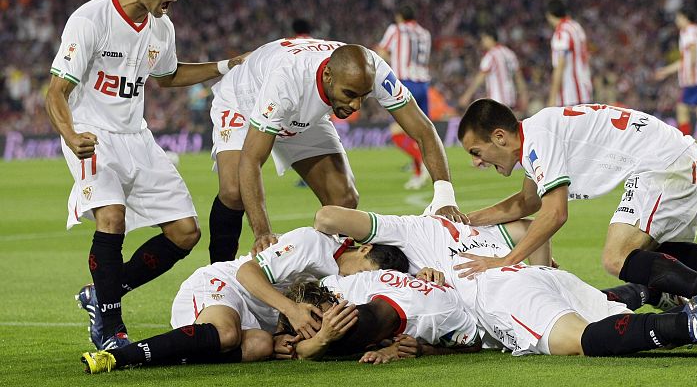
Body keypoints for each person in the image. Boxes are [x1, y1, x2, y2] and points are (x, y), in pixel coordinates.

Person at [45, 0, 248, 350]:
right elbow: (55, 92)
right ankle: (111, 329)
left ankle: (101, 293)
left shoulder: (161, 26)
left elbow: (168, 75)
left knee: (185, 233)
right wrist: (71, 136)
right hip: (92, 134)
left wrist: (226, 65)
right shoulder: (90, 19)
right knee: (112, 219)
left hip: (138, 137)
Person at [311, 207, 697, 360]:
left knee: (579, 343)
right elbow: (530, 232)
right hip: (535, 273)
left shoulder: (405, 236)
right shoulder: (460, 227)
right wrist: (539, 270)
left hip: (497, 291)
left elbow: (328, 215)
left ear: (369, 248)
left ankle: (689, 323)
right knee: (619, 319)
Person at [454, 99, 697, 302]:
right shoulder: (537, 134)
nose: (477, 162)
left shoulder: (538, 140)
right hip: (681, 160)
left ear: (499, 137)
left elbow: (554, 214)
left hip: (664, 164)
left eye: (476, 152)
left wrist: (505, 261)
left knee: (616, 257)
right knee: (647, 259)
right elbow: (527, 202)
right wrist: (465, 219)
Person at [207, 37, 466, 264]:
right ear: (328, 75)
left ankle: (327, 271)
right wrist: (263, 233)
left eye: (363, 96)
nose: (356, 105)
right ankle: (216, 278)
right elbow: (251, 160)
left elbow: (424, 130)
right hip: (244, 101)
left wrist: (445, 197)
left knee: (344, 200)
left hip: (305, 111)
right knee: (233, 191)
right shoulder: (287, 79)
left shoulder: (374, 70)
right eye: (350, 94)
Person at [79, 226, 408, 373]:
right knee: (227, 334)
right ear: (364, 248)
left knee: (261, 347)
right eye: (364, 271)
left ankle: (182, 351)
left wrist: (285, 334)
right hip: (223, 285)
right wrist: (292, 311)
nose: (358, 281)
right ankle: (119, 356)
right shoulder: (313, 243)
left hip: (261, 320)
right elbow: (248, 272)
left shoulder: (346, 283)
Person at [273, 271, 481, 363]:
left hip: (473, 289)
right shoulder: (350, 288)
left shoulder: (434, 316)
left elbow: (474, 344)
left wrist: (427, 350)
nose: (332, 316)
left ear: (370, 344)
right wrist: (283, 329)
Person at [376, 6, 434, 189]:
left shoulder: (396, 29)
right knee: (421, 133)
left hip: (405, 85)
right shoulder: (425, 33)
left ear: (400, 17)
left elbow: (382, 53)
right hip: (423, 86)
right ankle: (419, 174)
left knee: (396, 132)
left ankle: (421, 165)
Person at [655, 9, 697, 152]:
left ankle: (687, 150)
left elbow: (692, 53)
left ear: (684, 17)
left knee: (682, 109)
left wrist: (692, 68)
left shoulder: (688, 31)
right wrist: (666, 71)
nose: (677, 21)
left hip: (694, 79)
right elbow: (686, 59)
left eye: (678, 17)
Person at [459, 31, 528, 113]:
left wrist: (467, 95)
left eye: (484, 38)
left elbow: (481, 76)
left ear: (491, 38)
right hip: (511, 100)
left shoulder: (491, 55)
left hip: (496, 101)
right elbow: (518, 76)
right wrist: (524, 95)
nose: (482, 42)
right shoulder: (509, 53)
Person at [544, 0, 592, 107]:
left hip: (570, 95)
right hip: (584, 89)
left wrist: (552, 98)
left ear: (549, 15)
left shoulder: (562, 32)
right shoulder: (576, 27)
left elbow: (560, 65)